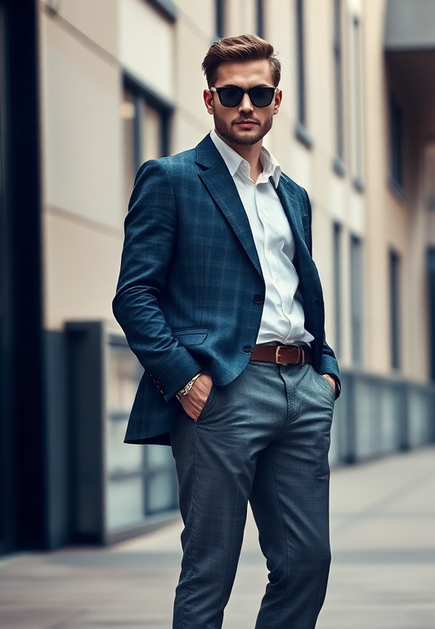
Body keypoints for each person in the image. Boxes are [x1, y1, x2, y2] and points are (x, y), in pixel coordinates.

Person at [113, 34, 341, 629]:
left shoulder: (295, 195)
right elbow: (134, 295)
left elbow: (299, 291)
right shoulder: (172, 179)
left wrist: (327, 371)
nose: (247, 104)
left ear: (276, 99)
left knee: (306, 562)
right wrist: (184, 379)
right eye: (232, 93)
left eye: (258, 93)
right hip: (220, 396)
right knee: (209, 569)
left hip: (302, 389)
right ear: (210, 99)